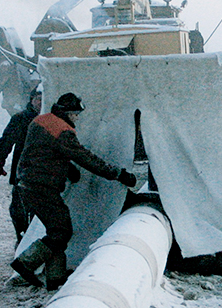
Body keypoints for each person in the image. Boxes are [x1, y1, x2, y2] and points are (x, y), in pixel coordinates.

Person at [12, 92, 137, 289]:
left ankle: (56, 278)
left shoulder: (41, 120)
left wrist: (67, 169)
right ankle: (25, 263)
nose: (77, 118)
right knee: (61, 231)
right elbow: (86, 158)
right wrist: (119, 174)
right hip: (42, 187)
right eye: (76, 114)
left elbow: (41, 150)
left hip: (28, 183)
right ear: (68, 112)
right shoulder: (63, 131)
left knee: (57, 228)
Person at [0, 85, 41, 245]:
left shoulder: (53, 121)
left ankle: (34, 243)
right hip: (22, 173)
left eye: (43, 99)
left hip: (44, 175)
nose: (40, 103)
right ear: (32, 100)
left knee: (38, 212)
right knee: (18, 211)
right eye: (37, 99)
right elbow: (6, 141)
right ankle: (22, 239)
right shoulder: (21, 119)